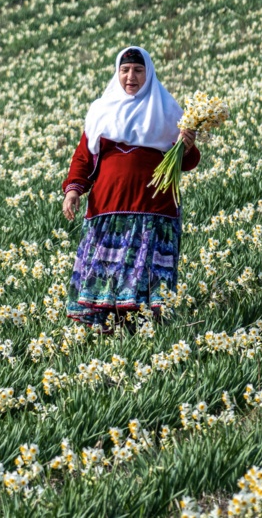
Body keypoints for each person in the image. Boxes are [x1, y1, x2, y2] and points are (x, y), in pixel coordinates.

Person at [61, 46, 198, 331]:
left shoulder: (167, 109)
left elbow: (189, 161)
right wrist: (73, 190)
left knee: (144, 275)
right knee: (108, 274)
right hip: (108, 209)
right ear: (117, 73)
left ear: (148, 74)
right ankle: (107, 328)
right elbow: (84, 157)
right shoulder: (101, 110)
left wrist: (186, 145)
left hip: (153, 210)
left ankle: (141, 329)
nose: (130, 76)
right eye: (124, 70)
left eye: (138, 70)